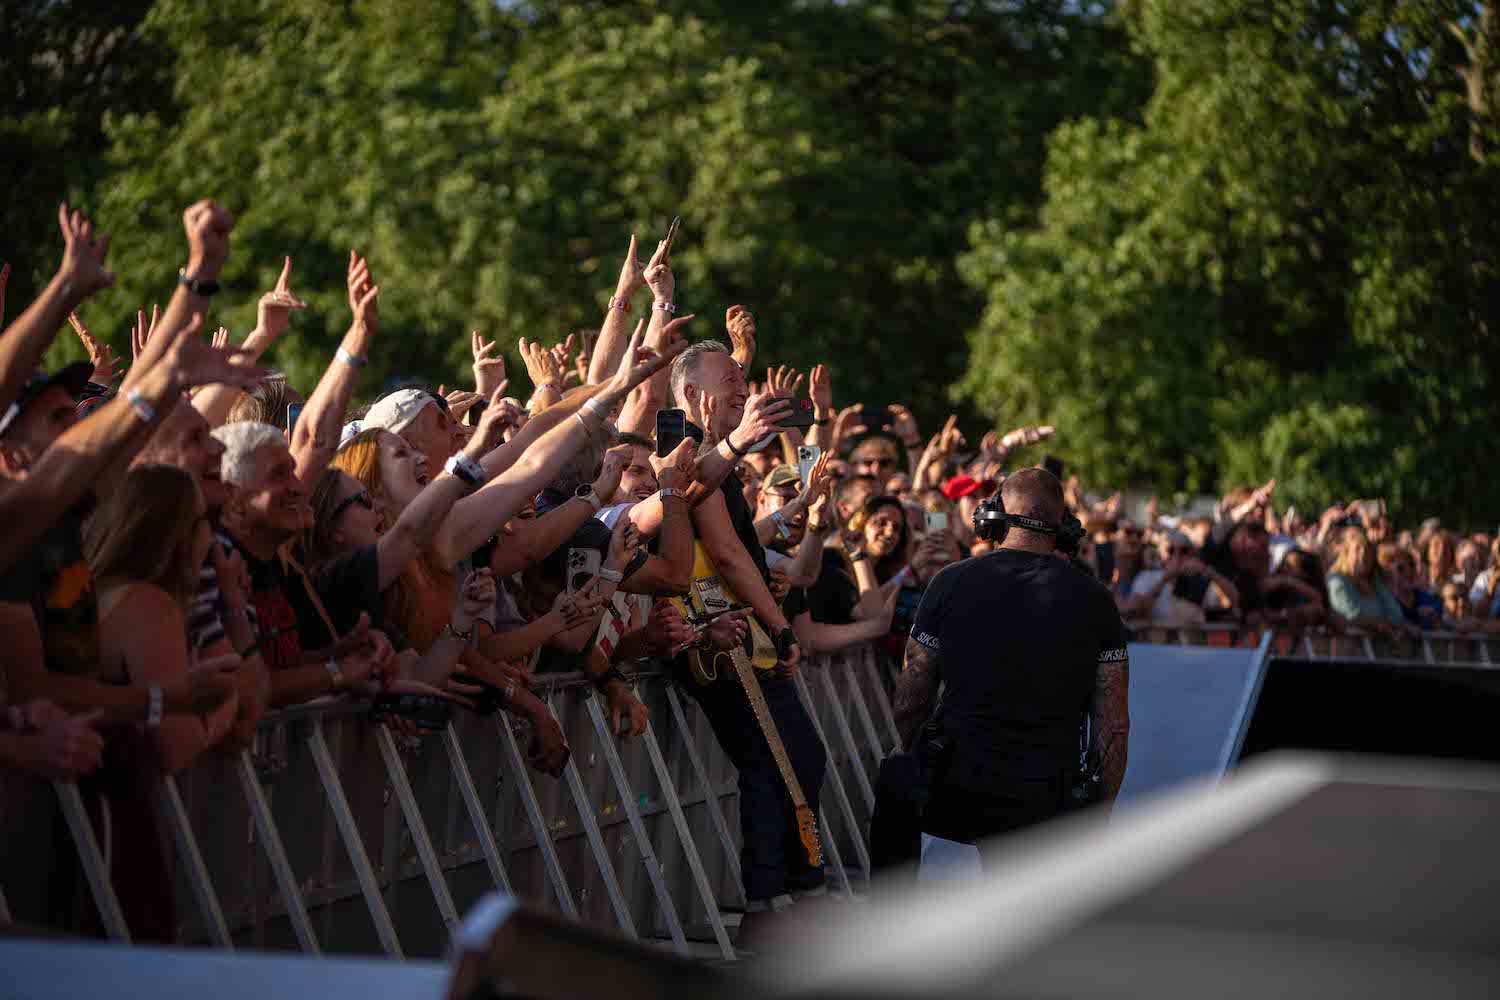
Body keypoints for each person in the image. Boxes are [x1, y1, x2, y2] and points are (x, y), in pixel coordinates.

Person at [891, 467, 1130, 872]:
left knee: (892, 788)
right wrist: (1100, 814)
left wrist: (904, 758)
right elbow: (1115, 724)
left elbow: (914, 688)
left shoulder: (950, 582)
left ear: (993, 517)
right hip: (1047, 788)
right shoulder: (1096, 600)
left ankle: (886, 919)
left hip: (961, 780)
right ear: (1066, 528)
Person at [1326, 528, 1407, 632]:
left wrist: (1375, 582)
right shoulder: (1337, 581)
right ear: (1346, 553)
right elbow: (1352, 614)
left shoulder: (1374, 583)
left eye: (1368, 551)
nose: (1363, 555)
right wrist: (1379, 623)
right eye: (1357, 549)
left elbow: (1396, 616)